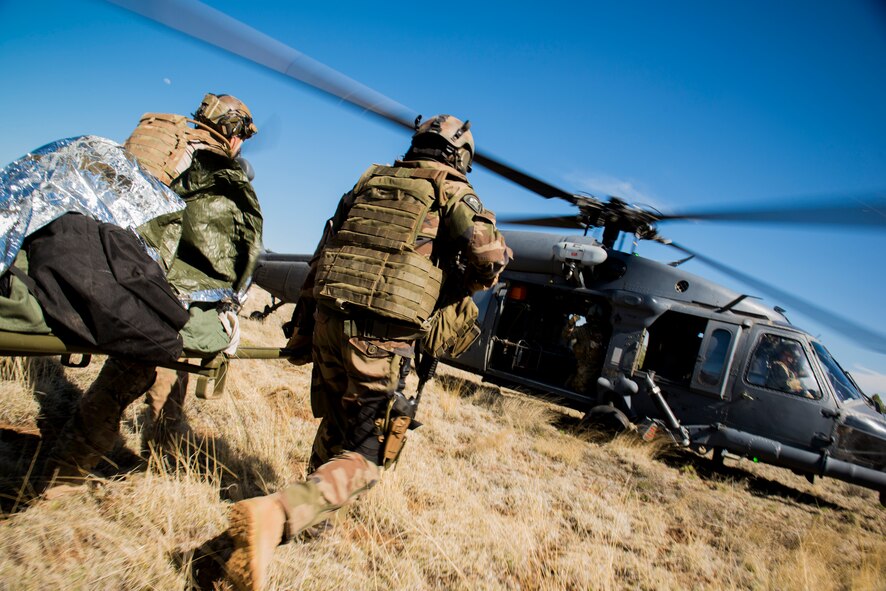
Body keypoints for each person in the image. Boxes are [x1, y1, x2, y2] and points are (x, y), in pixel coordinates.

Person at [221, 114, 511, 591]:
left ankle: (312, 519)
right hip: (379, 337)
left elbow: (323, 252)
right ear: (459, 156)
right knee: (367, 453)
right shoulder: (452, 190)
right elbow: (487, 258)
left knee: (336, 421)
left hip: (331, 323)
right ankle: (277, 515)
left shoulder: (369, 180)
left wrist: (303, 328)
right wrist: (459, 282)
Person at [43, 93, 262, 484]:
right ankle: (64, 474)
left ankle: (162, 451)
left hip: (85, 258)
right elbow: (213, 259)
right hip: (139, 287)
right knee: (126, 377)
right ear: (233, 133)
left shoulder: (165, 141)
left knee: (161, 371)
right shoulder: (211, 169)